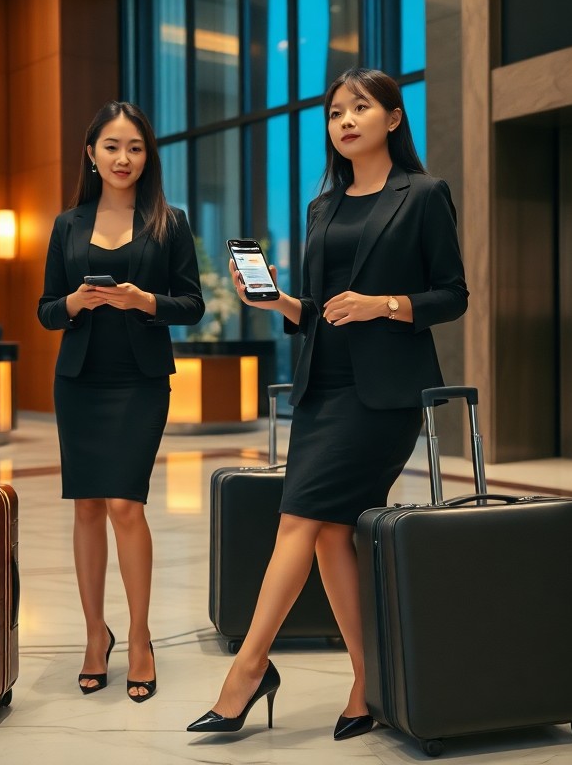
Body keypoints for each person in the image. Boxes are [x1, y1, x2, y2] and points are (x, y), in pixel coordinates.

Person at [187, 67, 468, 737]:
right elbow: (316, 311)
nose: (345, 119)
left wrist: (386, 305)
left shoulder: (424, 195)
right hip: (322, 387)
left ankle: (248, 672)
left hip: (382, 397)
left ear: (393, 119)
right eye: (336, 110)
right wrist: (276, 301)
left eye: (361, 107)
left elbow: (452, 294)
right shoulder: (323, 207)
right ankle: (367, 681)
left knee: (299, 523)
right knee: (328, 535)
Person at [38, 101, 204, 703]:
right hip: (79, 380)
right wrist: (76, 304)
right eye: (111, 146)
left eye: (134, 147)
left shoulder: (170, 221)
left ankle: (139, 637)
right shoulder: (68, 225)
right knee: (85, 508)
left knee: (124, 507)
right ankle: (93, 635)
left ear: (146, 155)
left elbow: (192, 304)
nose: (123, 158)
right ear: (91, 153)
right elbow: (46, 309)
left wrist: (143, 302)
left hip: (139, 381)